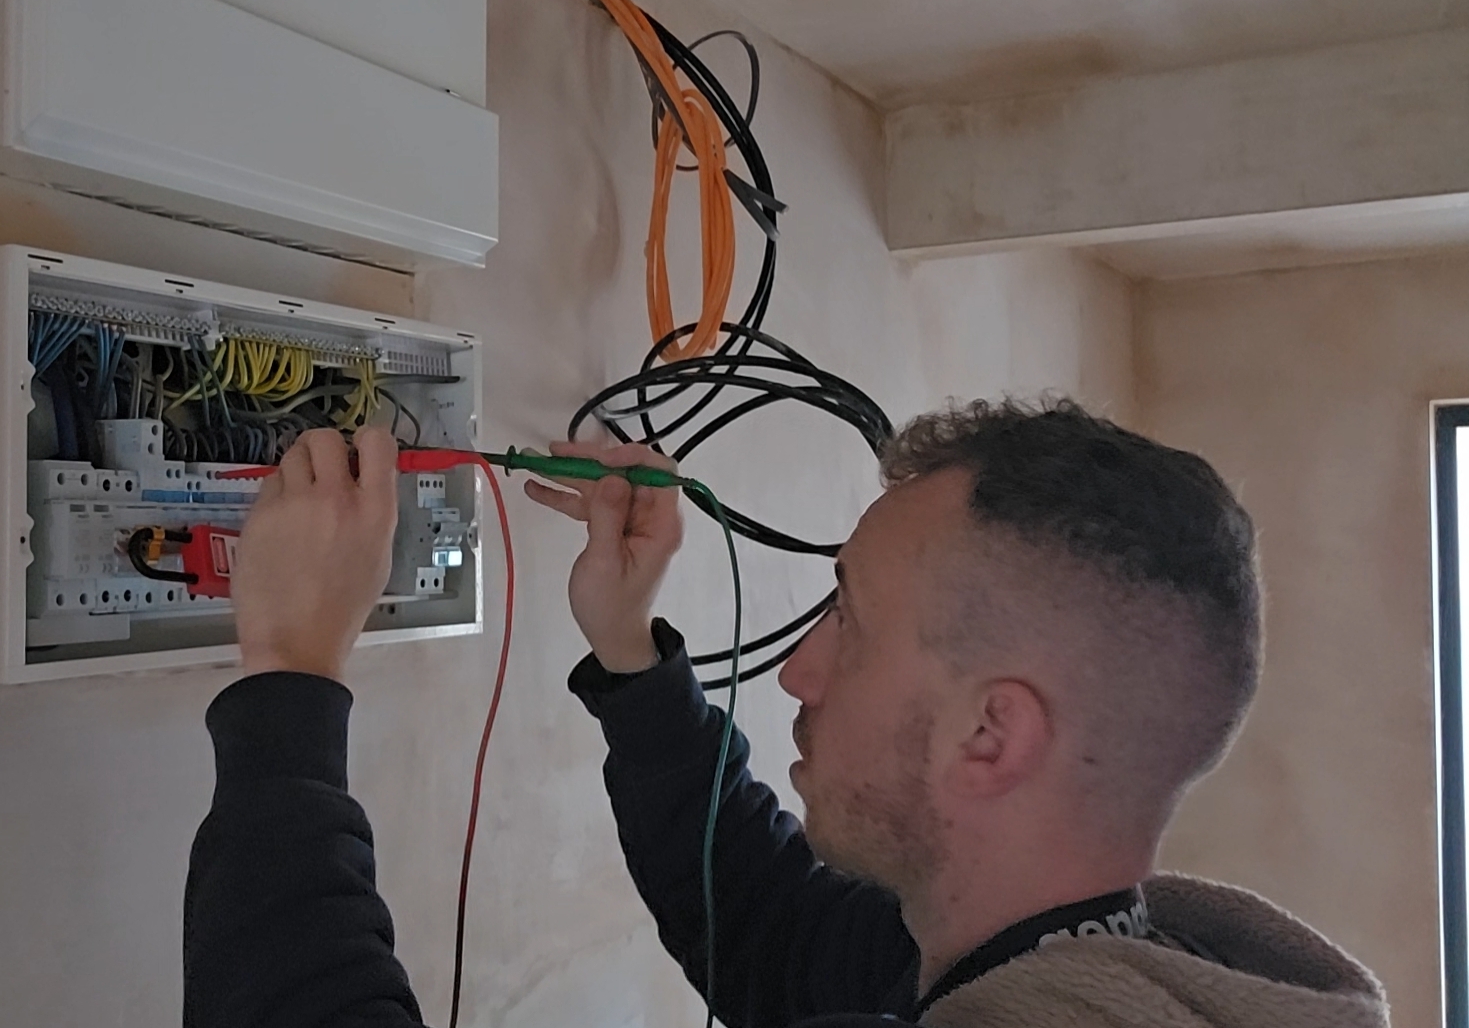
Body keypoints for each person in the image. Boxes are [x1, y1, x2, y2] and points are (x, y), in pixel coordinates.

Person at [182, 401, 1391, 1028]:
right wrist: (629, 649)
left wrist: (292, 673)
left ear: (991, 733)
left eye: (849, 621)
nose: (797, 670)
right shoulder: (1093, 960)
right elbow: (773, 939)